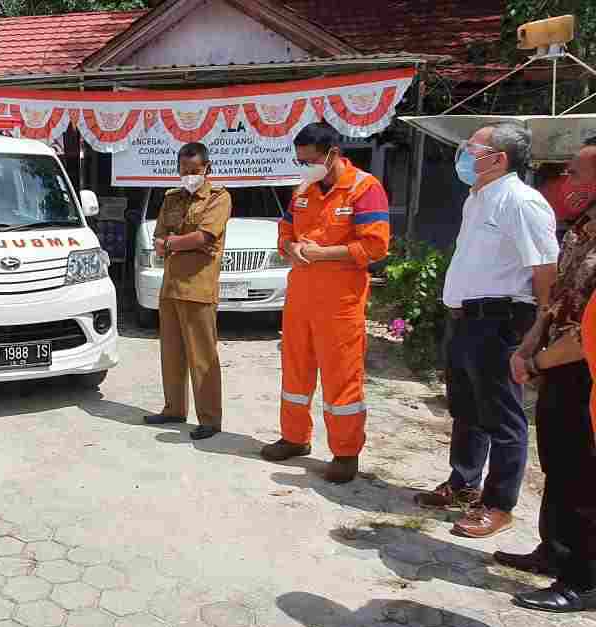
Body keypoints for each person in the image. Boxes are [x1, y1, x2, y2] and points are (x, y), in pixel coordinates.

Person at [415, 123, 558, 539]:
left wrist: (540, 328)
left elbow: (544, 268)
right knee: (466, 409)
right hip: (464, 320)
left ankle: (498, 505)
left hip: (499, 321)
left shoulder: (521, 201)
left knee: (503, 417)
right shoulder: (477, 198)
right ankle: (463, 483)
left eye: (471, 147)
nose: (463, 152)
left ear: (499, 158)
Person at [261, 122, 391, 484]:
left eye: (310, 160)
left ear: (333, 153)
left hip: (341, 303)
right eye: (300, 161)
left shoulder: (365, 189)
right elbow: (284, 231)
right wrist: (291, 247)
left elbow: (375, 246)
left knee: (341, 380)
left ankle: (346, 453)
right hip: (300, 298)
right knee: (295, 372)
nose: (304, 167)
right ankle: (294, 437)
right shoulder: (303, 189)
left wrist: (322, 254)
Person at [494, 139, 596, 584]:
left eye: (575, 174)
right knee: (558, 466)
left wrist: (539, 363)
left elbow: (586, 333)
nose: (565, 182)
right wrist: (529, 346)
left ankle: (580, 579)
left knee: (583, 478)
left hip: (583, 370)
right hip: (555, 362)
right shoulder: (581, 229)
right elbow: (556, 301)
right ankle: (554, 551)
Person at [141, 142, 230, 439]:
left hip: (199, 287)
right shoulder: (171, 198)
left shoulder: (219, 198)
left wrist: (173, 243)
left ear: (207, 169)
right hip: (171, 286)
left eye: (195, 170)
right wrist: (179, 242)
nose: (189, 175)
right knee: (171, 353)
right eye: (184, 170)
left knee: (202, 356)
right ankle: (174, 409)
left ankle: (209, 419)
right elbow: (158, 237)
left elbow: (205, 236)